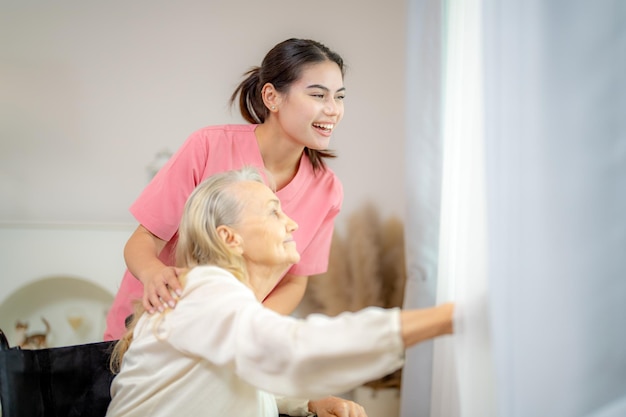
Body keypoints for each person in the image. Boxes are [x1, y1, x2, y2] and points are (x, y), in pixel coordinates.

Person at [105, 167, 455, 417]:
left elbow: (234, 372)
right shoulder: (202, 291)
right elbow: (290, 349)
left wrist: (308, 403)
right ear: (230, 238)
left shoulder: (217, 298)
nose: (292, 223)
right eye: (274, 213)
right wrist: (444, 318)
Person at [104, 38, 347, 341]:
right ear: (272, 97)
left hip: (225, 344)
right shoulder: (207, 147)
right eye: (318, 95)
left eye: (339, 97)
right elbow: (143, 240)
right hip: (147, 331)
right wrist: (153, 273)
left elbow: (294, 282)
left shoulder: (327, 190)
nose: (333, 110)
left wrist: (247, 328)